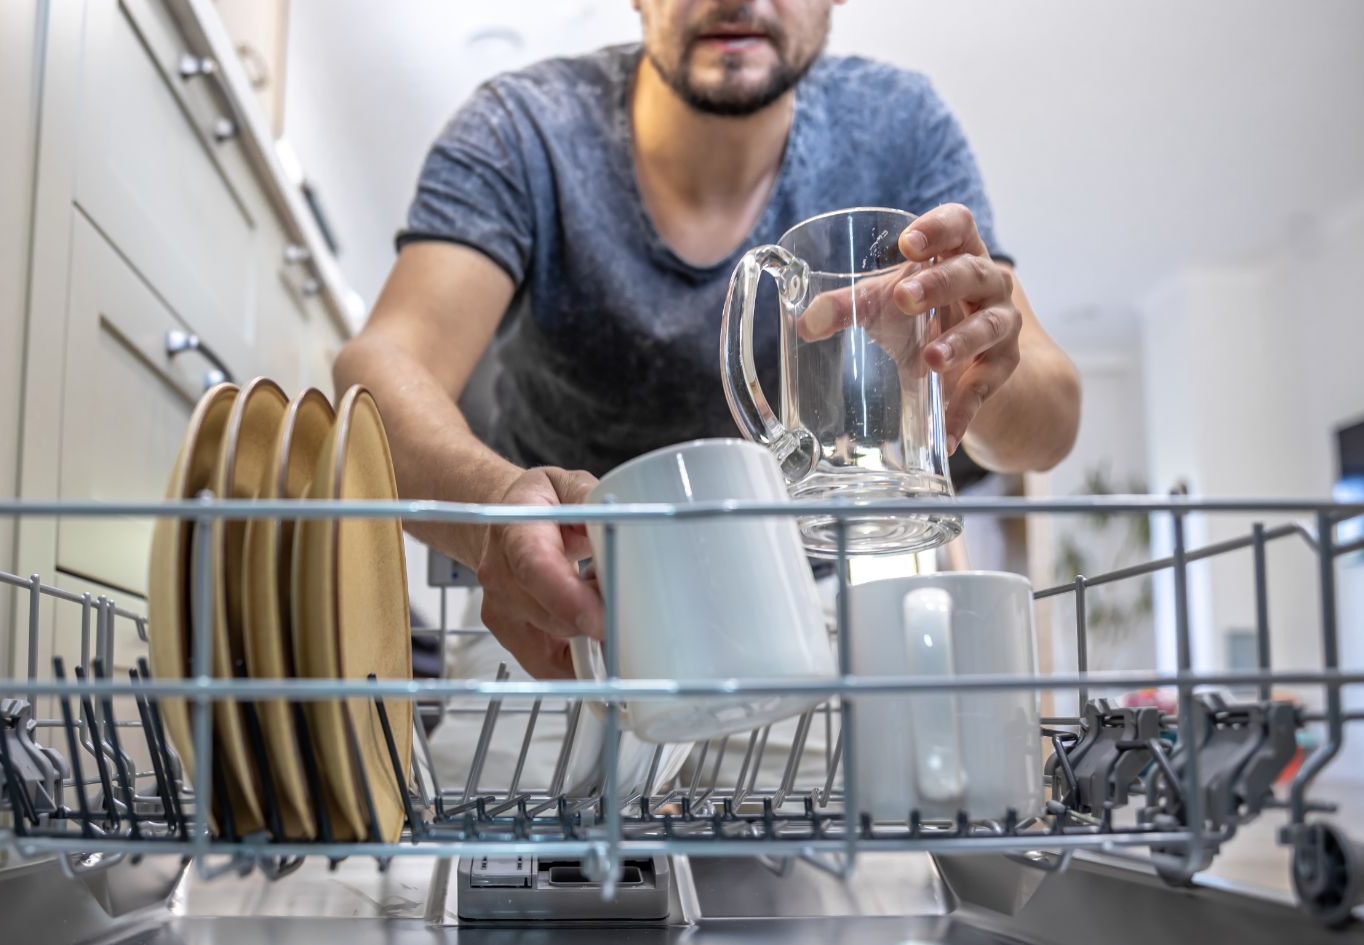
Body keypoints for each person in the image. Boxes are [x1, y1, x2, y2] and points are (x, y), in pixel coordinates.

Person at [334, 0, 1081, 698]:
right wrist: (494, 511)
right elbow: (380, 368)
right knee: (505, 838)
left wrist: (983, 367)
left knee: (852, 840)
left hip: (799, 621)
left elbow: (1050, 421)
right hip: (552, 617)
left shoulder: (902, 127)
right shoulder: (522, 128)